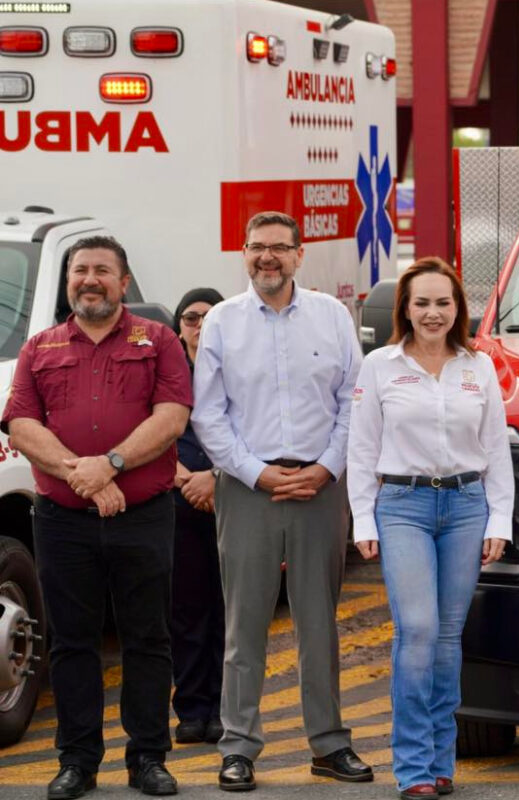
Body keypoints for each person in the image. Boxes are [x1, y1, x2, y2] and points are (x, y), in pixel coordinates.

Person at [1, 236, 190, 798]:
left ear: (123, 281)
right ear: (68, 283)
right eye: (80, 270)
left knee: (147, 638)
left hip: (143, 515)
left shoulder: (157, 341)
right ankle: (78, 761)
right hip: (64, 520)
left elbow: (173, 416)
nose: (90, 279)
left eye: (102, 270)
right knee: (72, 643)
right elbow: (20, 424)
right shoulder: (40, 347)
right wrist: (79, 473)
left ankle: (148, 757)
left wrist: (109, 465)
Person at [191, 212, 370, 791]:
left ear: (300, 254)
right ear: (244, 254)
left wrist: (325, 469)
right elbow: (208, 414)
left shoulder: (332, 316)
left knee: (319, 622)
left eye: (279, 248)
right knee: (244, 625)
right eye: (257, 248)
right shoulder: (222, 321)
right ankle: (239, 747)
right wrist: (258, 474)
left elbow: (353, 400)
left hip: (322, 488)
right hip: (248, 492)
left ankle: (328, 744)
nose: (268, 257)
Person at [347, 257, 513, 800]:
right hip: (403, 506)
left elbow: (495, 450)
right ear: (405, 309)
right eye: (422, 302)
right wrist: (364, 518)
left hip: (467, 506)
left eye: (443, 302)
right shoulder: (380, 366)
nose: (433, 313)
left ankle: (442, 761)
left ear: (458, 308)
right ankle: (413, 765)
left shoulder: (479, 367)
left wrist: (500, 519)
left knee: (446, 638)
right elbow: (362, 447)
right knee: (416, 630)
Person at [169, 288, 227, 746]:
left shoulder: (238, 369)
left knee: (230, 610)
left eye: (209, 317)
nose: (199, 325)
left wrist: (215, 477)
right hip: (178, 498)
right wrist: (186, 478)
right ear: (178, 325)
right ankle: (191, 709)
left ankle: (226, 708)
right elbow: (146, 427)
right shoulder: (166, 373)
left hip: (233, 496)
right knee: (187, 609)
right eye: (190, 318)